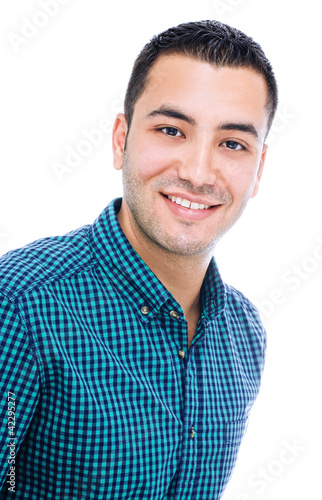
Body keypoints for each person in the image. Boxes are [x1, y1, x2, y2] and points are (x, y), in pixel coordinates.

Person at [0, 19, 278, 499]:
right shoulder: (21, 305)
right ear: (119, 139)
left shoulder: (244, 334)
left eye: (232, 143)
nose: (197, 171)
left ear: (258, 170)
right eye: (171, 130)